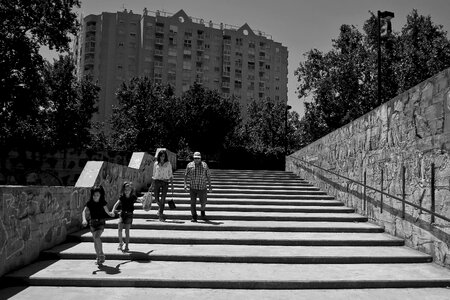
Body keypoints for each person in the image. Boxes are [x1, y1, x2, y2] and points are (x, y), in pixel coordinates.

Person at [82, 185, 115, 265]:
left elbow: (107, 211)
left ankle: (101, 254)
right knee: (95, 241)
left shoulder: (102, 202)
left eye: (97, 195)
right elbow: (84, 211)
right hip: (92, 223)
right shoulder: (90, 203)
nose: (95, 197)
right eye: (94, 195)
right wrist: (84, 219)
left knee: (97, 237)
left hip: (100, 222)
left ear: (100, 195)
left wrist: (111, 214)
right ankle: (98, 257)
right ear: (92, 195)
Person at [112, 181, 140, 252]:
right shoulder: (122, 197)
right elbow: (116, 204)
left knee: (127, 231)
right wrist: (113, 210)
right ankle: (121, 242)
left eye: (128, 190)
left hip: (129, 215)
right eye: (125, 190)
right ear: (123, 190)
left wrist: (146, 200)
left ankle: (127, 246)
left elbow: (140, 200)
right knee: (119, 229)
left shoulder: (133, 197)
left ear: (131, 190)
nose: (127, 191)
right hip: (122, 214)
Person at [184, 151, 212, 222]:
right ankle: (194, 216)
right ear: (193, 158)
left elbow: (208, 176)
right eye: (195, 158)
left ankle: (202, 211)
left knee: (203, 202)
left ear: (200, 158)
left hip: (202, 187)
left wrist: (210, 186)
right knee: (193, 203)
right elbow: (185, 175)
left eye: (198, 158)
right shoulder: (189, 165)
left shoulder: (204, 165)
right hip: (192, 187)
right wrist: (185, 184)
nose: (196, 159)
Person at [152, 149, 174, 222]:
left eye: (163, 156)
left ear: (165, 157)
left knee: (163, 199)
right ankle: (160, 209)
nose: (162, 157)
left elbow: (170, 174)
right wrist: (152, 184)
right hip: (157, 181)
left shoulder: (168, 164)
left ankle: (161, 215)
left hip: (165, 182)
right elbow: (154, 174)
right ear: (159, 156)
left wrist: (172, 185)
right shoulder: (156, 163)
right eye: (161, 156)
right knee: (156, 199)